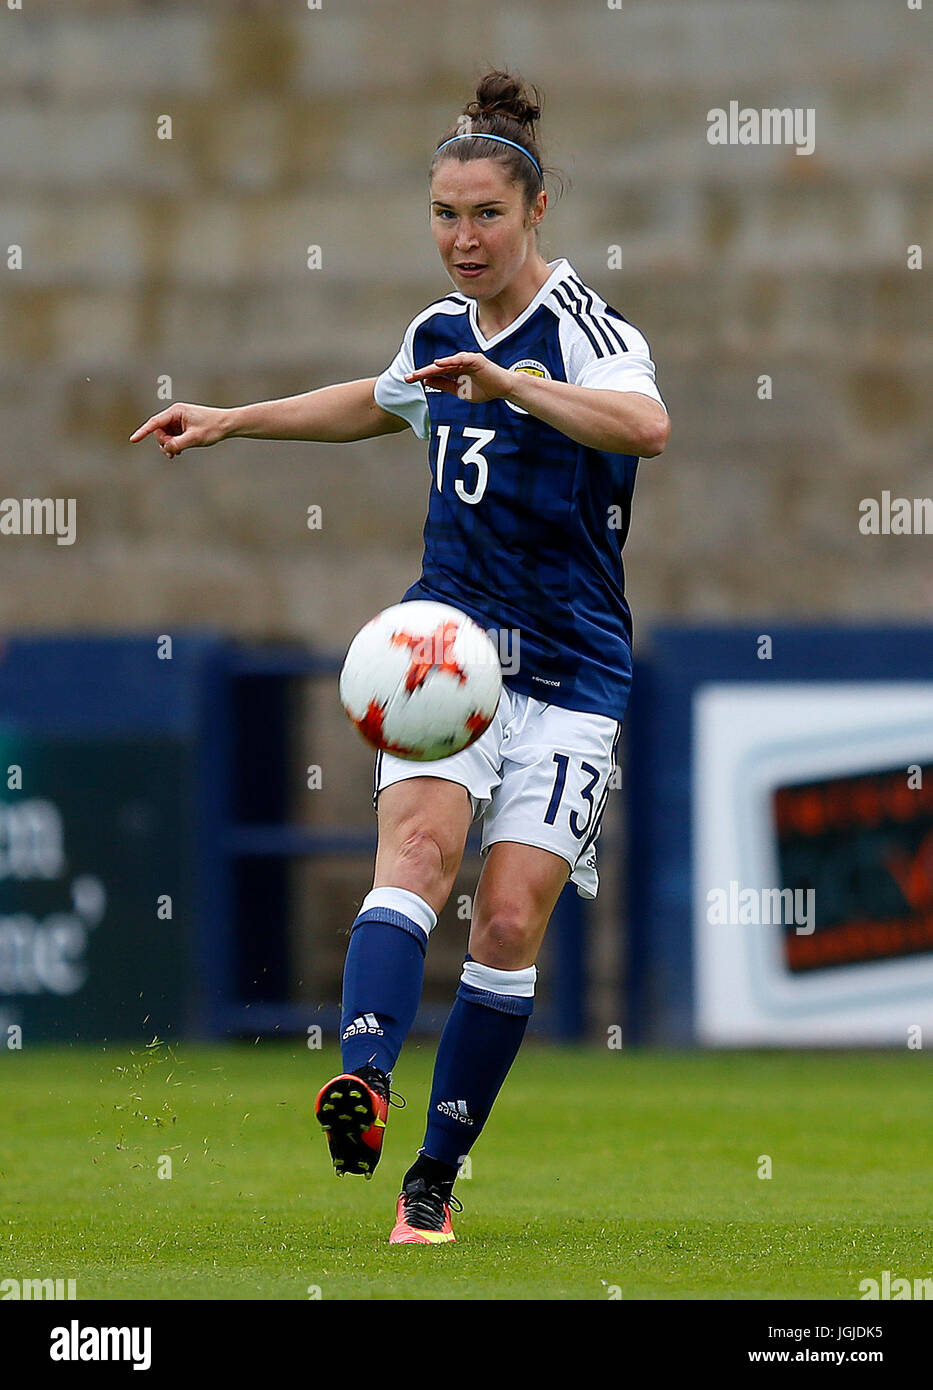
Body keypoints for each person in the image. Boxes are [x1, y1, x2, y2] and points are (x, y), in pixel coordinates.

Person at [130, 68, 669, 1246]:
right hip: (449, 648)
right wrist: (229, 420)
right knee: (419, 852)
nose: (461, 237)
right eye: (442, 212)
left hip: (574, 670)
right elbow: (373, 404)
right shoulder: (435, 333)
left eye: (484, 214)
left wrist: (511, 385)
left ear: (535, 215)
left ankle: (433, 1175)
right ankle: (364, 1082)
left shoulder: (586, 332)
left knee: (510, 923)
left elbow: (648, 428)